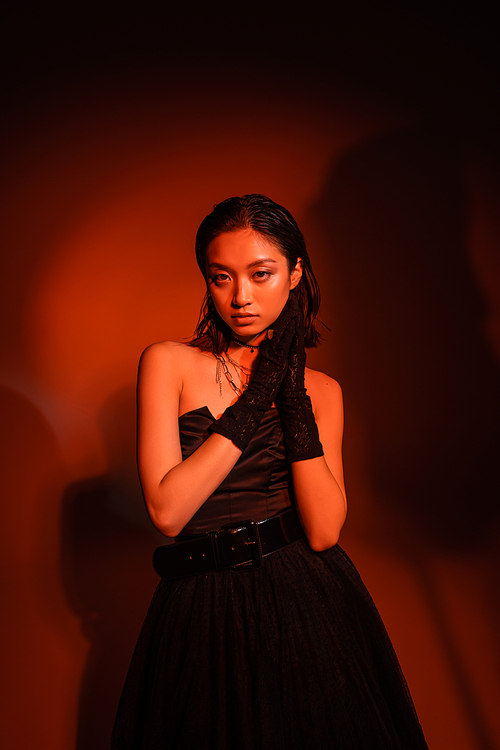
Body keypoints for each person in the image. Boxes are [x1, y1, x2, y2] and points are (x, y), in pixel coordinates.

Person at [111, 194, 428, 749]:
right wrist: (257, 397)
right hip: (200, 606)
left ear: (295, 272)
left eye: (261, 275)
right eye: (221, 278)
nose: (241, 298)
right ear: (206, 281)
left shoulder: (324, 392)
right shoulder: (167, 362)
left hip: (306, 598)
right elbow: (167, 511)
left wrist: (291, 393)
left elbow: (326, 531)